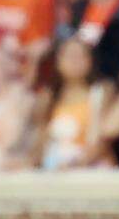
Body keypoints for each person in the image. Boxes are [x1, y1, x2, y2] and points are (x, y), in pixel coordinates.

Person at [41, 38, 113, 169]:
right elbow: (43, 138)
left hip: (91, 167)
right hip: (55, 167)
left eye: (81, 56)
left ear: (90, 60)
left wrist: (78, 163)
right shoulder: (49, 97)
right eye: (69, 56)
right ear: (58, 61)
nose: (75, 61)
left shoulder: (102, 91)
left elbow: (104, 139)